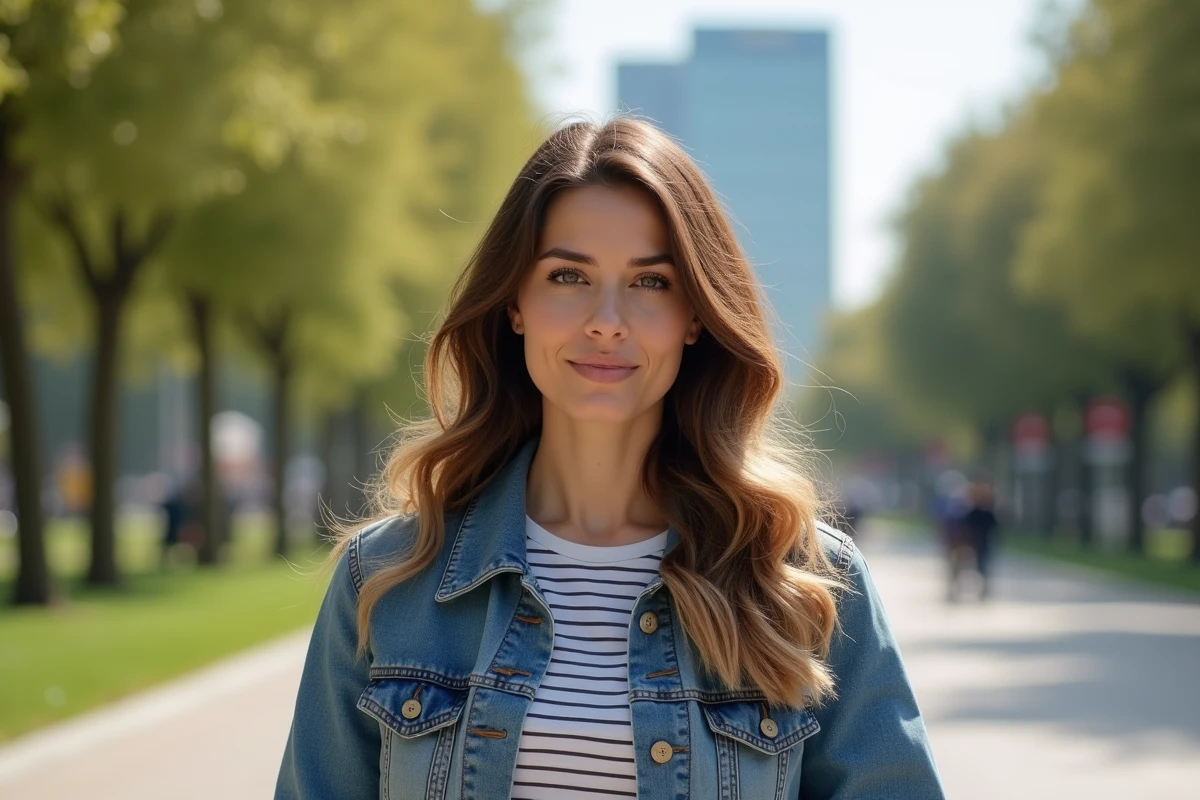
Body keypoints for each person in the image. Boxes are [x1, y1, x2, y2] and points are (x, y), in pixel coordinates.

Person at [275, 118, 944, 799]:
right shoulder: (390, 579)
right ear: (515, 305)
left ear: (694, 316)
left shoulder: (802, 582)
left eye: (650, 283)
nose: (607, 319)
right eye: (568, 275)